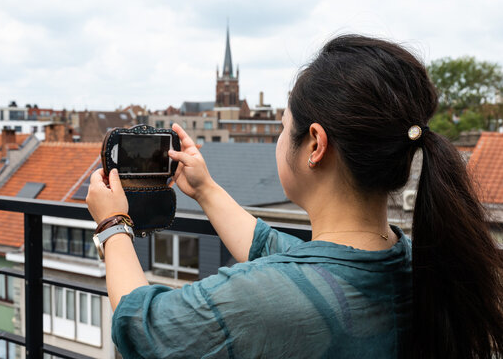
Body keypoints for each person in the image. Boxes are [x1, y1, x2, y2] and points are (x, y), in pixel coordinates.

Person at [86, 34, 503, 358]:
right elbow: (281, 254)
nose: (279, 138)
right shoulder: (419, 260)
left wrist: (112, 225)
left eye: (284, 128)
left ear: (315, 145)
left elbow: (144, 329)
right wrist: (205, 190)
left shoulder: (261, 300)